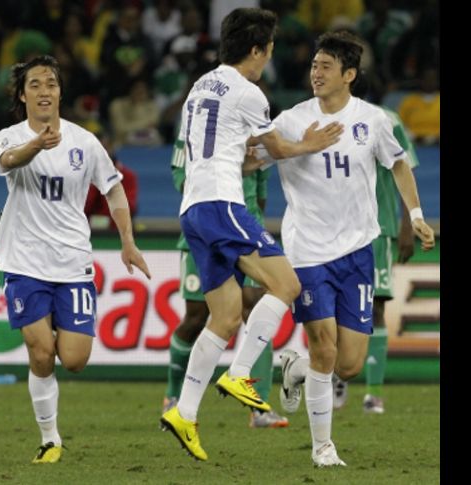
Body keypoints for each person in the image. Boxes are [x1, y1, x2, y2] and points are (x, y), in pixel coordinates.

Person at [159, 7, 343, 462]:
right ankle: (240, 373)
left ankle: (184, 411)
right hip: (224, 204)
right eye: (269, 49)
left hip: (193, 210)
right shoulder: (249, 92)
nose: (269, 58)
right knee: (286, 284)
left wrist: (260, 158)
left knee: (222, 319)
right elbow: (279, 148)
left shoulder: (200, 87)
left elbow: (227, 154)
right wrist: (310, 144)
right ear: (258, 50)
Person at [267, 31, 435, 467]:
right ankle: (323, 447)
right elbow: (253, 156)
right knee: (324, 347)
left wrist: (416, 215)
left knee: (349, 365)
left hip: (358, 250)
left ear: (350, 75)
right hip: (306, 251)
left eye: (325, 67)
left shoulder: (375, 120)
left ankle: (295, 369)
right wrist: (290, 147)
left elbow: (398, 163)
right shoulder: (291, 119)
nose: (315, 73)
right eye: (313, 65)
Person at [0, 55, 151, 464]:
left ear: (60, 92)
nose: (44, 91)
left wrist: (128, 242)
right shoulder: (9, 136)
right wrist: (35, 145)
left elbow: (113, 190)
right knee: (40, 351)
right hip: (24, 260)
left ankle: (51, 408)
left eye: (51, 84)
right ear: (22, 94)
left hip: (73, 260)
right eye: (35, 85)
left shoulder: (85, 141)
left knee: (75, 359)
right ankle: (50, 439)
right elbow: (9, 162)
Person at [163, 125, 289, 429]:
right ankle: (173, 397)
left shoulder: (257, 132)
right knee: (196, 316)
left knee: (257, 304)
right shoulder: (193, 130)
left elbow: (260, 195)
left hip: (244, 228)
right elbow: (183, 180)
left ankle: (257, 406)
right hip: (206, 228)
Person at [331, 74, 421, 415]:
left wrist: (407, 225)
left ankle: (374, 392)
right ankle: (339, 378)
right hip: (339, 229)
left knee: (377, 307)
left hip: (378, 228)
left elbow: (403, 169)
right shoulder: (328, 120)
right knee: (340, 308)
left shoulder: (388, 120)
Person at [83, 129, 138, 231]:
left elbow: (129, 208)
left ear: (111, 148)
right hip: (87, 233)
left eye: (104, 148)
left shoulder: (127, 176)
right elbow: (80, 209)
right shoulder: (81, 176)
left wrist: (110, 181)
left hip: (117, 232)